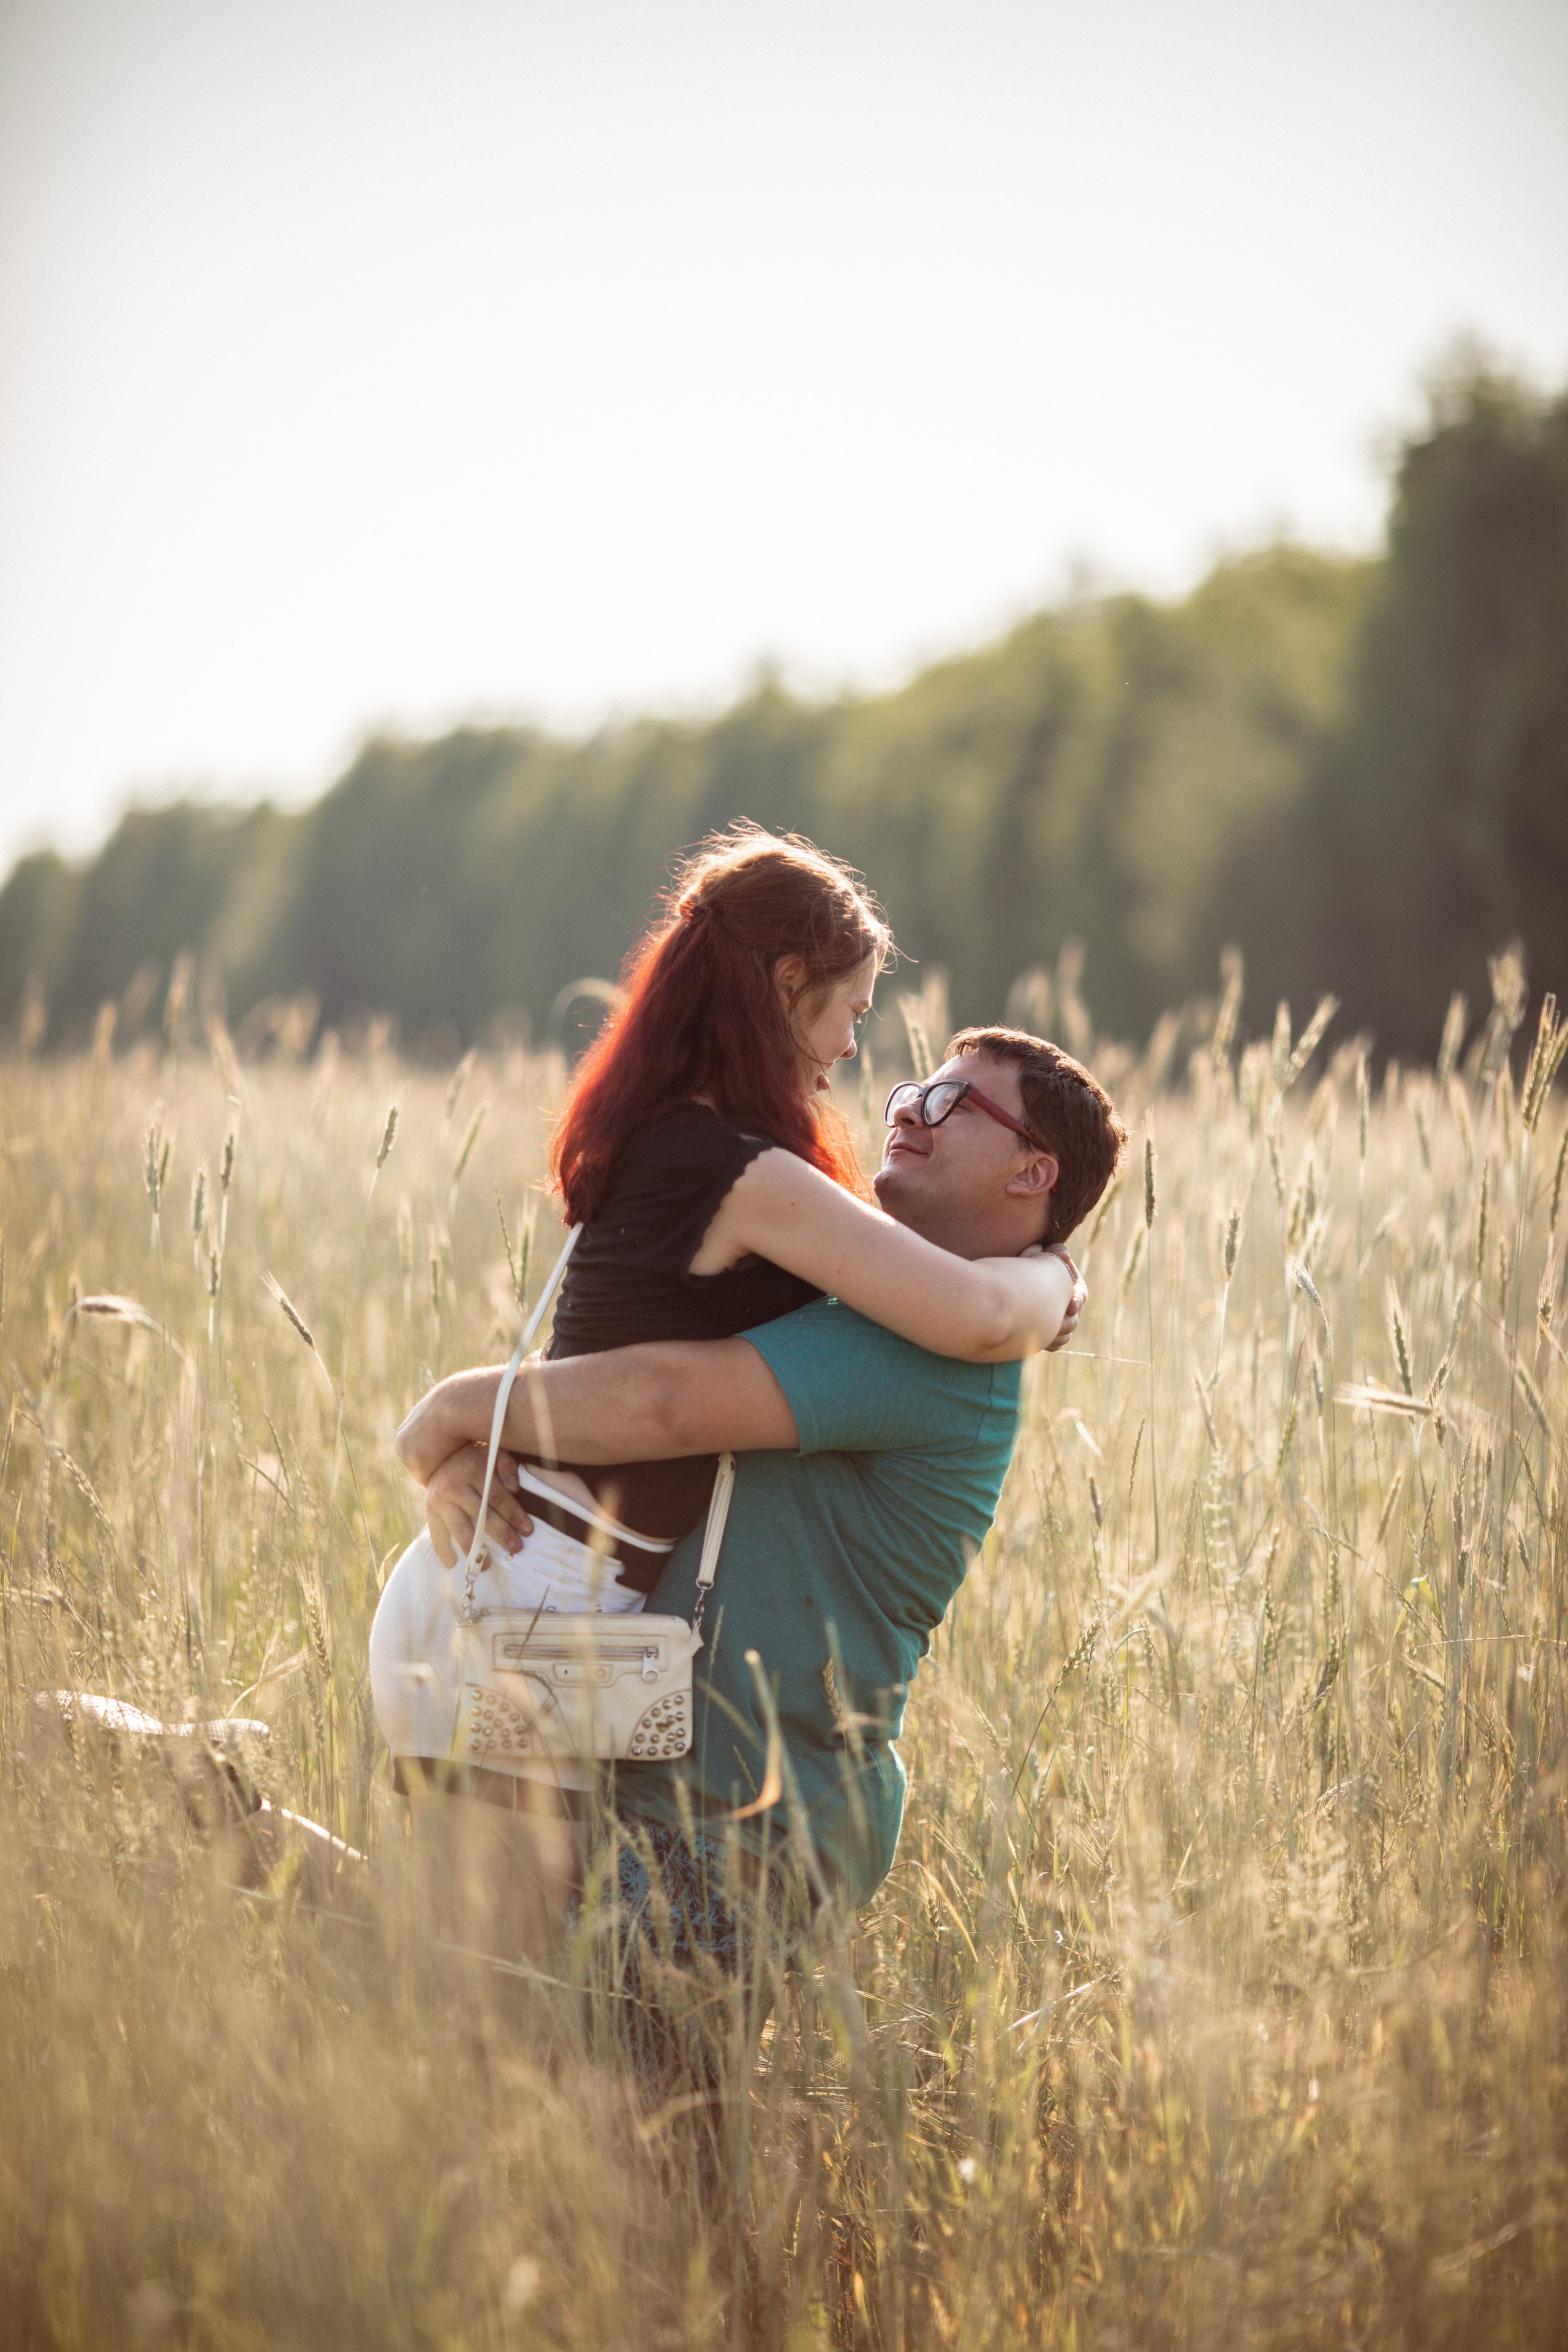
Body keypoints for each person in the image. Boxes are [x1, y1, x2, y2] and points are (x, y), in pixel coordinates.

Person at [372, 829, 1084, 1940]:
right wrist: (1050, 1276)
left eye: (943, 1102)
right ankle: (214, 1802)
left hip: (541, 1595)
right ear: (788, 989)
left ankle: (220, 1806)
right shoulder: (748, 1172)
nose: (858, 1055)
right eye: (851, 1013)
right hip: (528, 1598)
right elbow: (966, 1315)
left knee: (479, 1990)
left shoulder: (694, 1140)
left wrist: (467, 1426)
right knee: (487, 2003)